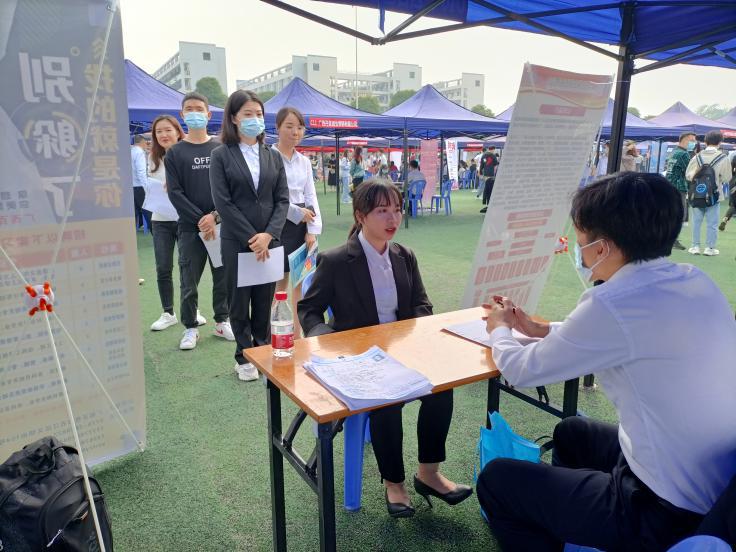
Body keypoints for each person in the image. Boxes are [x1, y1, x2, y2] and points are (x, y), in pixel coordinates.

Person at [477, 172, 736, 551]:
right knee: (572, 433)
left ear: (602, 248)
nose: (579, 250)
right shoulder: (694, 280)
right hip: (712, 485)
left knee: (496, 481)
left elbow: (519, 369)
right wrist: (539, 328)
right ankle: (578, 531)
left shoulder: (611, 303)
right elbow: (622, 335)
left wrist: (499, 328)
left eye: (581, 239)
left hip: (662, 511)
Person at [298, 179, 472, 518]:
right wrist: (330, 345)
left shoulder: (404, 256)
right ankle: (394, 483)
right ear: (361, 216)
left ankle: (429, 473)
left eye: (397, 209)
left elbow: (422, 304)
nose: (392, 218)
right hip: (360, 361)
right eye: (382, 211)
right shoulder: (336, 261)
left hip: (403, 352)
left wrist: (417, 334)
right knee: (386, 401)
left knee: (442, 388)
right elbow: (309, 310)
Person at [210, 90, 289, 382]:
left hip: (269, 242)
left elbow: (282, 200)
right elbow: (223, 203)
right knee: (239, 301)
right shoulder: (221, 155)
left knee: (264, 299)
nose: (255, 119)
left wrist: (268, 235)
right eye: (247, 114)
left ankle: (263, 351)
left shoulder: (273, 155)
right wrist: (252, 238)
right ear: (233, 118)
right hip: (237, 242)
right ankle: (244, 356)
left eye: (258, 114)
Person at [165, 92, 233, 350]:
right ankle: (190, 327)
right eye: (189, 109)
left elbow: (229, 190)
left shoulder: (220, 148)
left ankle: (222, 321)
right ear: (182, 115)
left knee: (222, 276)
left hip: (221, 226)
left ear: (208, 114)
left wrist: (214, 216)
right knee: (188, 279)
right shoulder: (175, 152)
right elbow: (175, 193)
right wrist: (201, 220)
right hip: (189, 228)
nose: (194, 113)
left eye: (199, 109)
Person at [145, 114, 207, 331]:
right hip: (161, 220)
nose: (163, 135)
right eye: (158, 131)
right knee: (163, 267)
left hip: (186, 220)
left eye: (167, 130)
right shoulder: (152, 158)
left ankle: (192, 310)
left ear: (178, 131)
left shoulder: (188, 154)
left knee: (188, 269)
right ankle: (168, 312)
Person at [271, 106, 322, 327]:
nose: (295, 132)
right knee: (278, 283)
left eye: (300, 127)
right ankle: (273, 331)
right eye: (289, 126)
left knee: (300, 282)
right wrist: (295, 212)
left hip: (303, 224)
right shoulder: (268, 157)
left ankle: (298, 334)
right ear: (277, 128)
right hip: (277, 222)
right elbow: (268, 196)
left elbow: (310, 195)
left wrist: (312, 230)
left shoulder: (304, 161)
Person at [685, 130, 731, 256]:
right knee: (712, 223)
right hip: (714, 195)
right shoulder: (723, 158)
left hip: (697, 194)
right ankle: (709, 248)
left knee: (696, 222)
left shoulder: (697, 157)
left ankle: (695, 247)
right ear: (720, 142)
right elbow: (727, 178)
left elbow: (688, 175)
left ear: (705, 141)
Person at [665, 132, 697, 251]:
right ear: (684, 140)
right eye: (692, 140)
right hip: (679, 187)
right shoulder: (684, 154)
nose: (694, 143)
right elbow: (689, 172)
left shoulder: (674, 152)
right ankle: (673, 239)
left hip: (669, 185)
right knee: (680, 215)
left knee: (671, 214)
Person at [131, 134, 152, 231]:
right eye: (146, 142)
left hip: (132, 186)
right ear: (142, 141)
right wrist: (146, 188)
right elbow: (141, 172)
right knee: (147, 211)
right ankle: (154, 231)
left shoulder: (131, 151)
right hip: (140, 186)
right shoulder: (139, 152)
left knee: (135, 212)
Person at [718, 156, 736, 232]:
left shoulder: (735, 157)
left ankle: (725, 219)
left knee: (733, 205)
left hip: (733, 182)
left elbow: (730, 170)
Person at [479, 146, 499, 213]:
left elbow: (481, 165)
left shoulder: (483, 155)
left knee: (486, 189)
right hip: (491, 175)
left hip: (485, 175)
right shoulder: (493, 155)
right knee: (490, 191)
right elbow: (495, 166)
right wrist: (494, 173)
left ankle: (487, 204)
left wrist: (481, 173)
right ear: (493, 149)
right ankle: (489, 206)